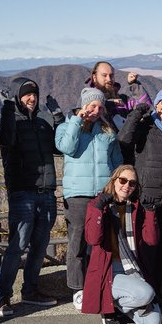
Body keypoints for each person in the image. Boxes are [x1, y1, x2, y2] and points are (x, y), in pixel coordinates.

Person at [0, 77, 65, 317]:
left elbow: (60, 146)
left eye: (34, 93)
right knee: (18, 245)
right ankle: (3, 297)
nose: (31, 97)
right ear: (17, 96)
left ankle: (30, 291)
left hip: (46, 192)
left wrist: (58, 116)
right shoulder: (10, 120)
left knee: (40, 245)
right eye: (26, 94)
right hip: (23, 192)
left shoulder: (43, 124)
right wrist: (6, 108)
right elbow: (4, 139)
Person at [117, 87, 162, 296]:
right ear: (157, 103)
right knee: (142, 250)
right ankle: (141, 294)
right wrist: (136, 114)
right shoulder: (145, 127)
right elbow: (124, 140)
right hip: (145, 199)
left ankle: (155, 294)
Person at [55, 87, 123, 311]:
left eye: (100, 106)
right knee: (78, 243)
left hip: (103, 194)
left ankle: (100, 284)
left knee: (102, 243)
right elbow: (66, 148)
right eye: (92, 105)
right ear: (83, 105)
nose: (96, 110)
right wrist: (77, 120)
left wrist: (116, 189)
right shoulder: (67, 126)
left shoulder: (107, 131)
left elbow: (117, 162)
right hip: (77, 194)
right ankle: (78, 288)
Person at [82, 165, 162, 324]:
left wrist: (150, 212)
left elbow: (151, 240)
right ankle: (108, 305)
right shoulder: (97, 204)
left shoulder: (136, 208)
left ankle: (116, 305)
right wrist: (98, 209)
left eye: (132, 183)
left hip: (132, 267)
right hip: (109, 269)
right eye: (123, 180)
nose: (127, 186)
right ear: (114, 180)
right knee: (146, 294)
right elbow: (93, 239)